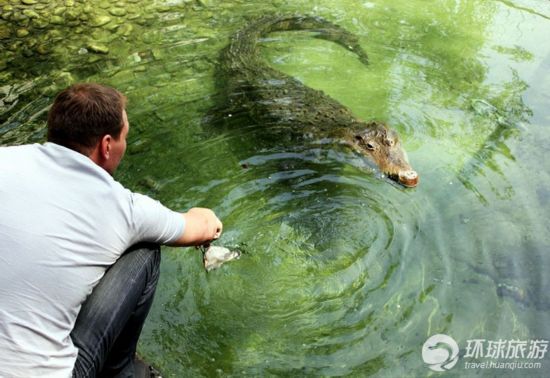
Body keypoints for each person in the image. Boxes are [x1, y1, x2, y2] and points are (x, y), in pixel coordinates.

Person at [0, 83, 223, 377]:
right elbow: (202, 228)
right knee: (144, 252)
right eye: (124, 138)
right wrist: (207, 215)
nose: (124, 146)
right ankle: (122, 372)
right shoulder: (124, 208)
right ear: (106, 145)